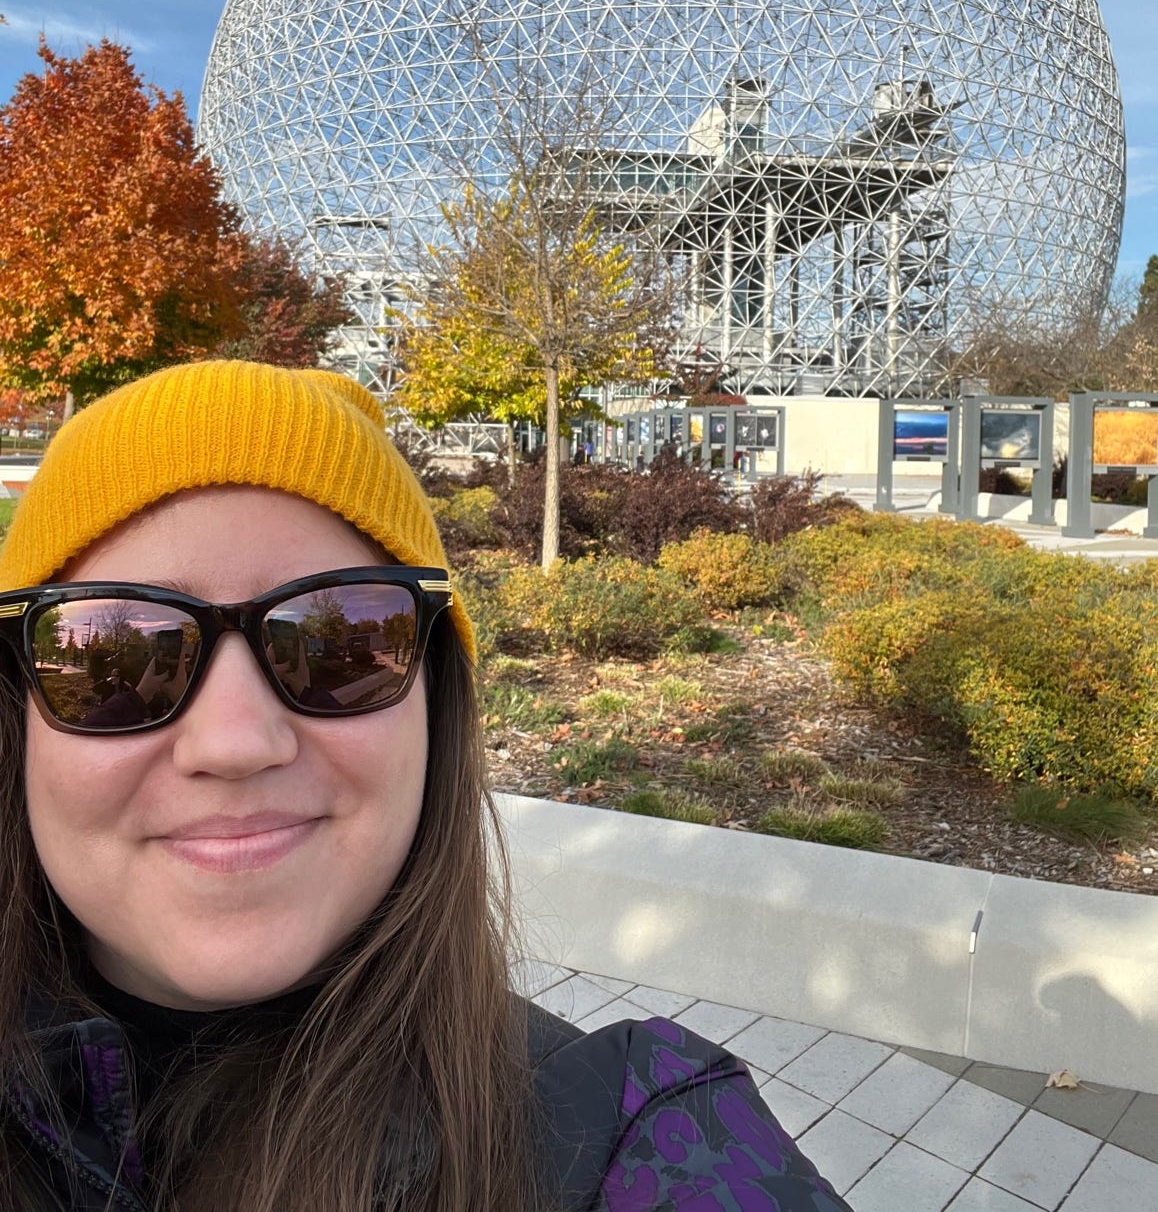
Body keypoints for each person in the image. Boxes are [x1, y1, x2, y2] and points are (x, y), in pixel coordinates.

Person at [0, 360, 852, 1211]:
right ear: (15, 717)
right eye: (110, 654)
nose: (234, 741)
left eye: (341, 646)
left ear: (435, 705)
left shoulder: (637, 1140)